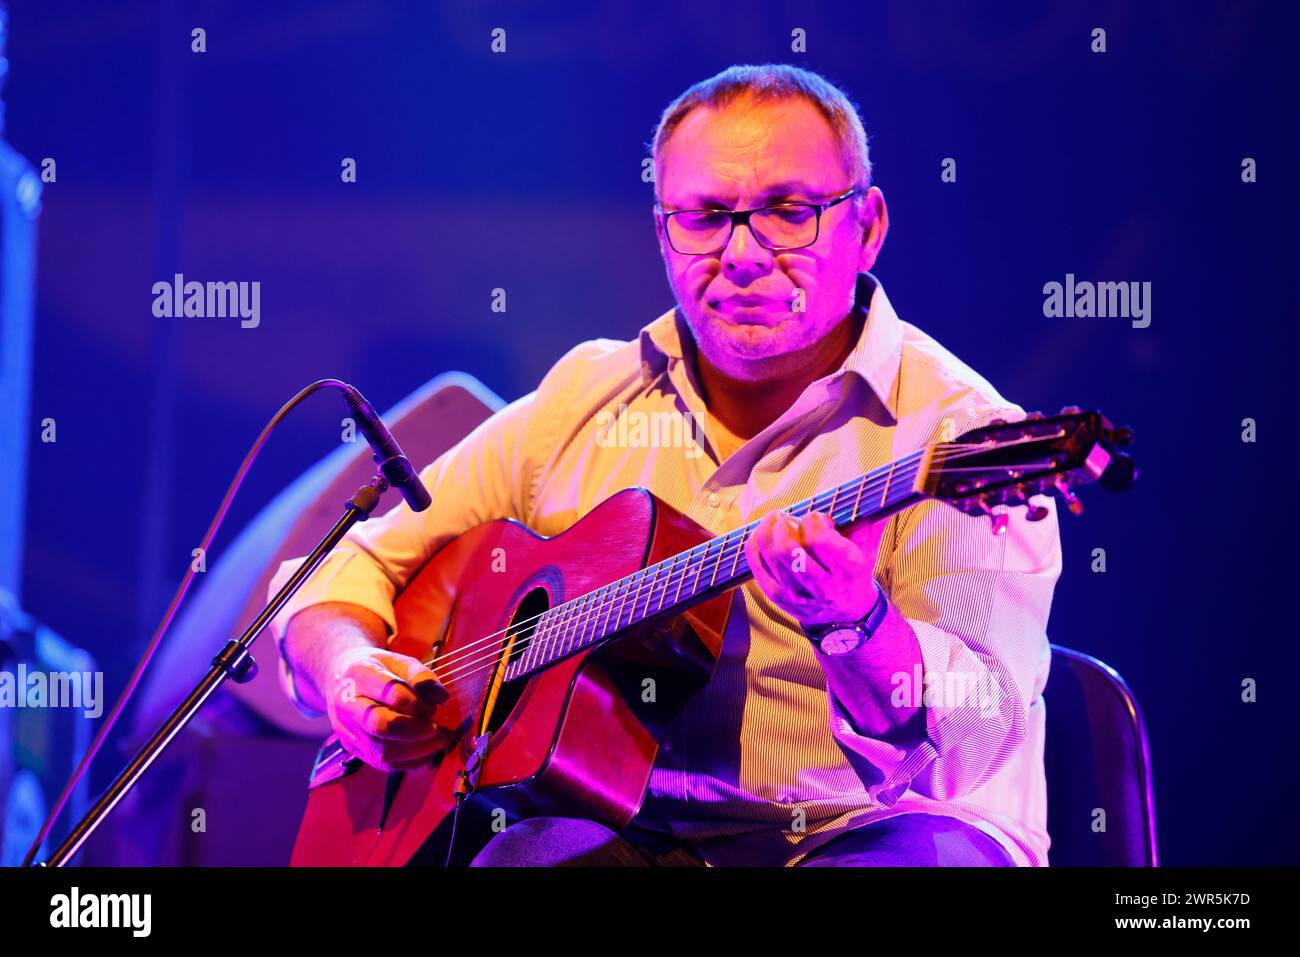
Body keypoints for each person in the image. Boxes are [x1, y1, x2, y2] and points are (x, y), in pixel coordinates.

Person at [268, 64, 1061, 867]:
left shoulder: (963, 434)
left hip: (870, 832)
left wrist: (857, 625)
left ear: (868, 224)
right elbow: (343, 567)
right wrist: (351, 669)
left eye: (789, 212)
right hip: (631, 835)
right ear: (661, 232)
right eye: (707, 216)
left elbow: (979, 732)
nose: (744, 254)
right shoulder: (585, 394)